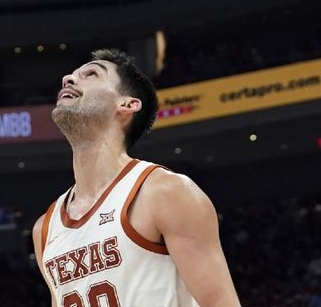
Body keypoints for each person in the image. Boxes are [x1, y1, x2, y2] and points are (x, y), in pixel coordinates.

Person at [32, 49, 240, 306]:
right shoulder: (46, 227)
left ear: (127, 104)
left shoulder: (164, 192)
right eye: (72, 75)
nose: (68, 78)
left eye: (91, 74)